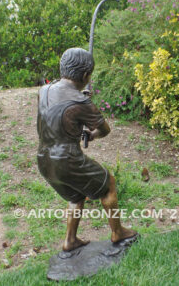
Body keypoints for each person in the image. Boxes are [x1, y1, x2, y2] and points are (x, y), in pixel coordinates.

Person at [37, 48, 137, 252]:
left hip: (44, 159)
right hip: (67, 160)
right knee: (108, 183)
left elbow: (59, 110)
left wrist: (79, 100)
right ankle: (118, 232)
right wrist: (91, 133)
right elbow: (104, 130)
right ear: (85, 76)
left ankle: (70, 240)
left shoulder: (44, 90)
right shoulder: (82, 102)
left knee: (76, 196)